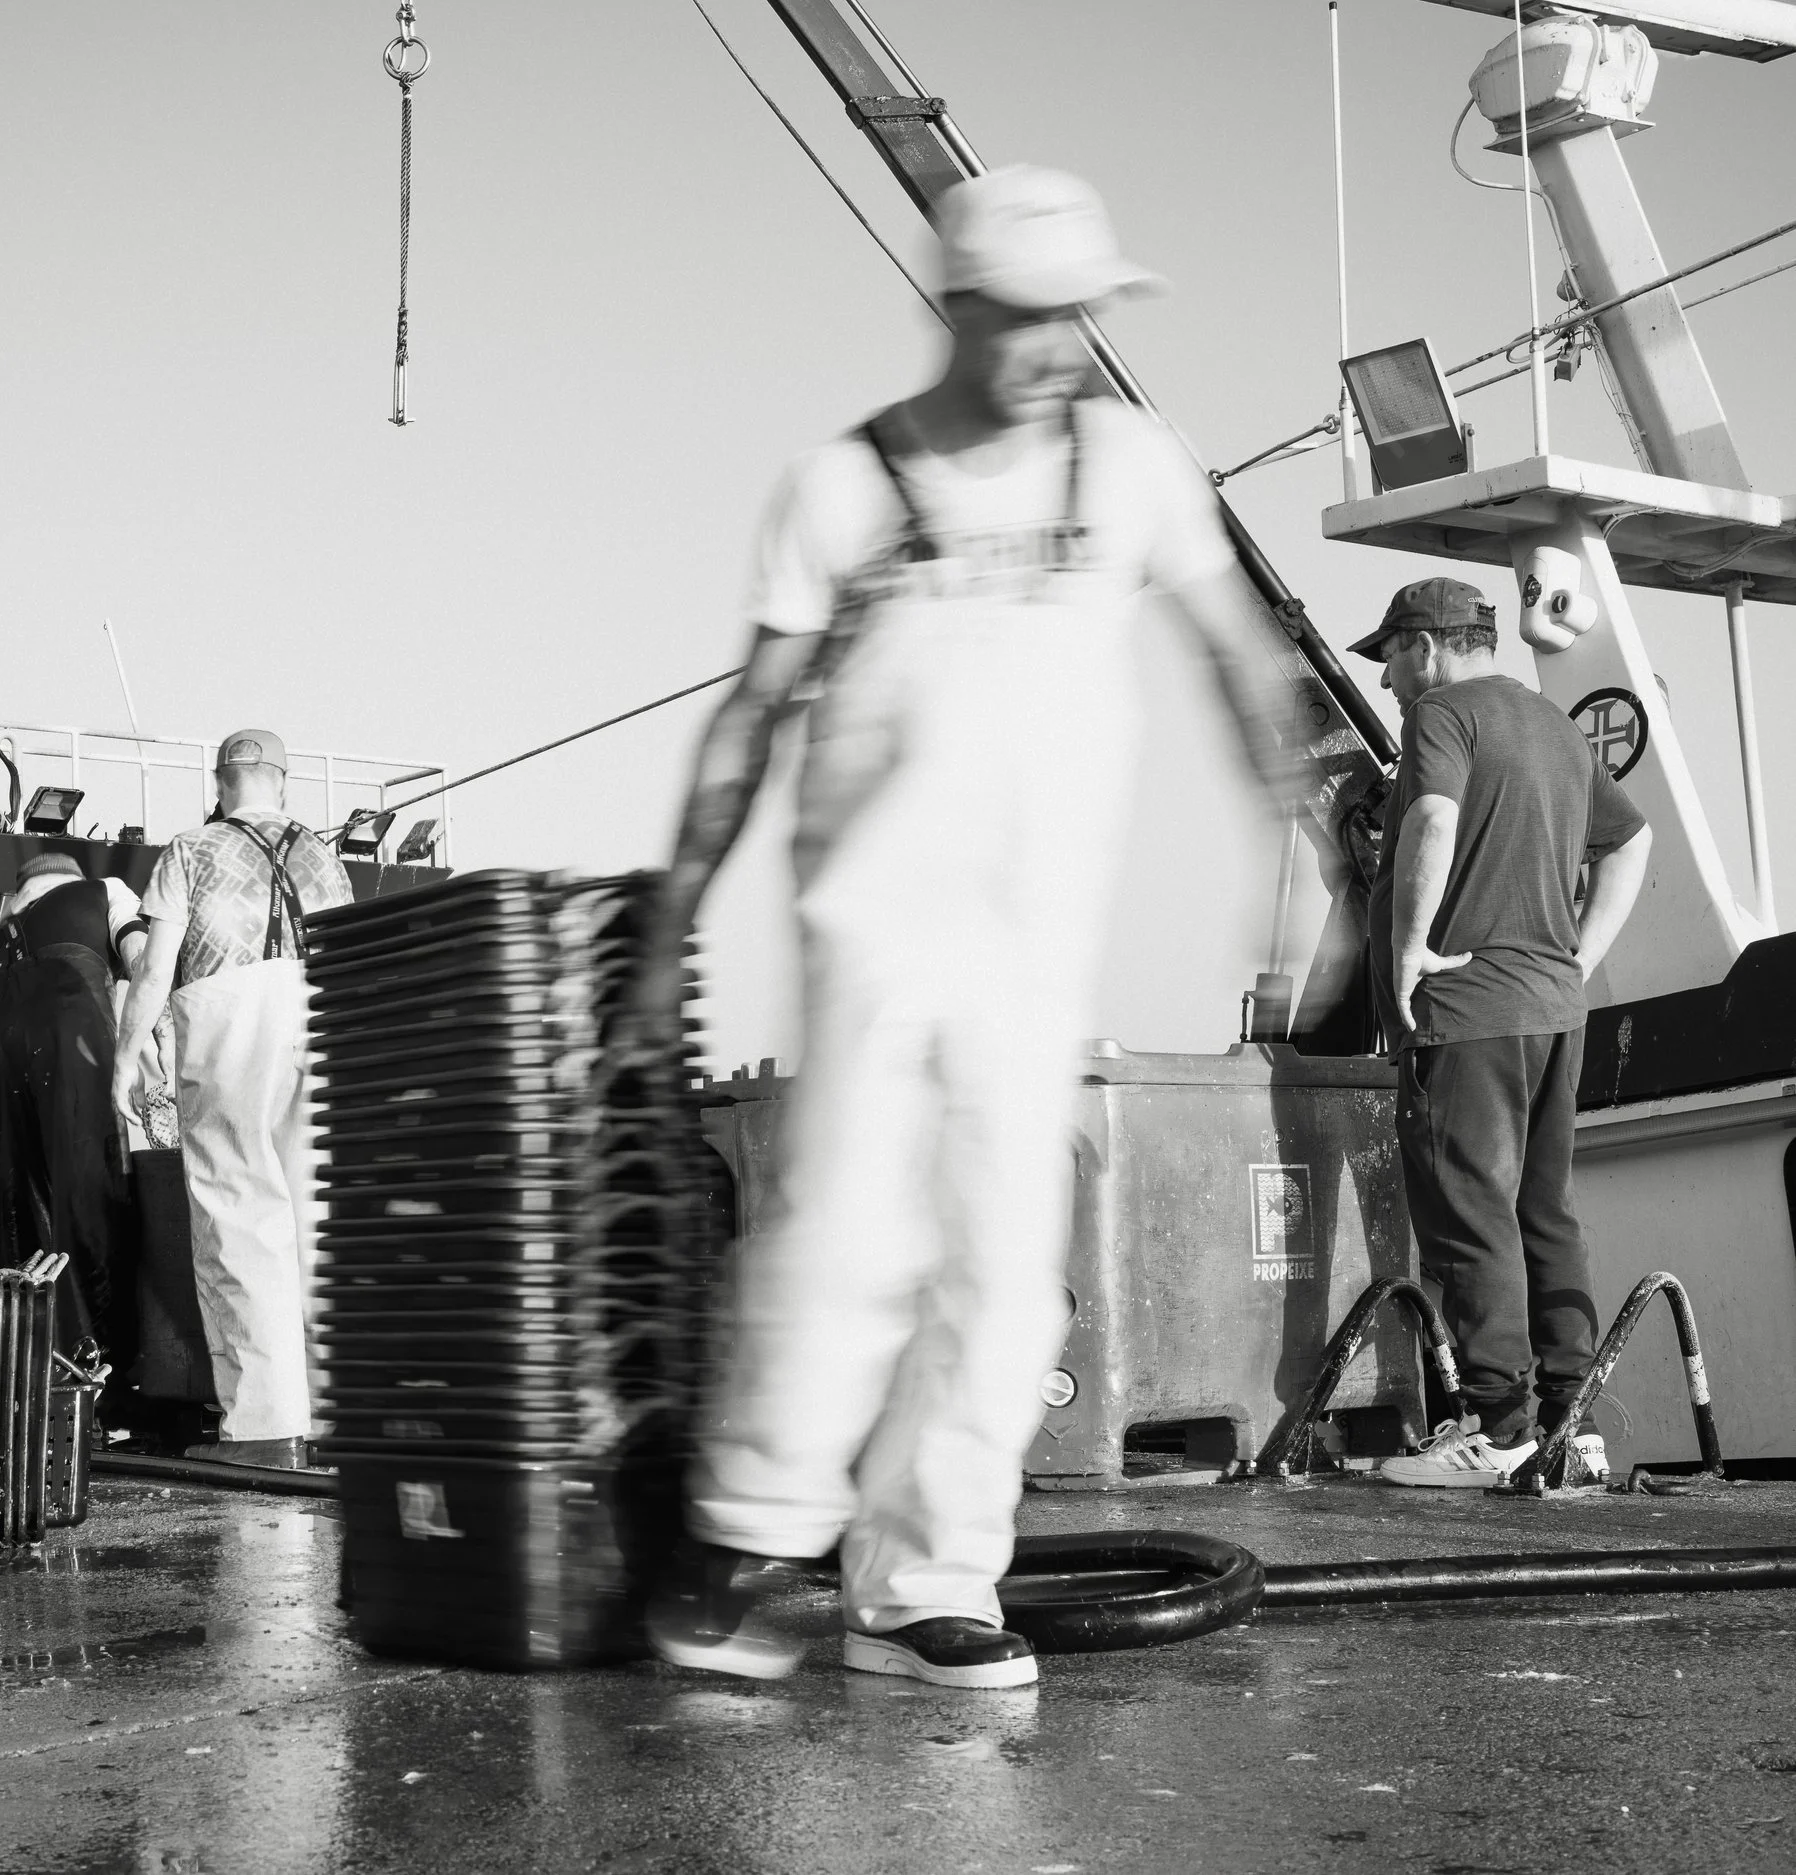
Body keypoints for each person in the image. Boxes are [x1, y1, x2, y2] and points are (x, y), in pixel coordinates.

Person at [628, 168, 1297, 1690]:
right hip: (870, 931)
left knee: (1001, 1270)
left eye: (1084, 314)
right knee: (849, 1234)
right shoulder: (845, 484)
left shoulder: (1133, 467)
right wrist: (674, 923)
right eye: (1035, 313)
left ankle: (925, 1583)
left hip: (1032, 953)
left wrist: (1300, 835)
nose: (1064, 344)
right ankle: (741, 1527)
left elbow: (1239, 657)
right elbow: (747, 718)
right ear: (962, 306)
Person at [1349, 578, 1652, 1488]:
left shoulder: (1441, 715)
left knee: (1473, 1212)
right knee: (1542, 1210)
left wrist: (1407, 948)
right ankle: (1573, 1424)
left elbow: (1434, 817)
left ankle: (1503, 1429)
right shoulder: (1554, 725)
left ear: (1426, 646)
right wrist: (1577, 957)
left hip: (1469, 1015)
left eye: (1392, 657)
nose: (1390, 680)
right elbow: (1631, 841)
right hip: (1553, 1012)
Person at [111, 730, 355, 1466]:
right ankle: (337, 1412)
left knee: (238, 1210)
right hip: (320, 1011)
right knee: (319, 1211)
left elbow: (154, 968)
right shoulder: (323, 852)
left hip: (227, 1015)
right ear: (281, 779)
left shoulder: (188, 849)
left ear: (220, 781)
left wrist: (127, 1054)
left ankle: (262, 1426)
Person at [0, 851, 145, 1356]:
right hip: (67, 1033)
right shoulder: (103, 889)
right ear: (73, 877)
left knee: (20, 1208)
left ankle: (34, 1373)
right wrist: (166, 1033)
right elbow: (140, 955)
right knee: (91, 1196)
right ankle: (105, 1384)